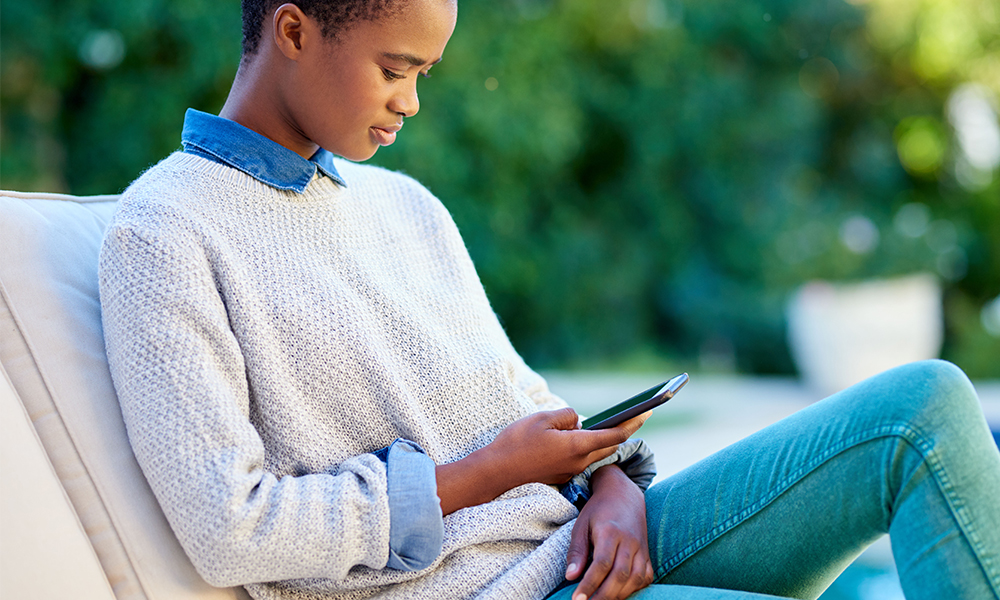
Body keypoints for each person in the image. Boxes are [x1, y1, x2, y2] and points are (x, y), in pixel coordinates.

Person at [97, 1, 1000, 599]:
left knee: (924, 409)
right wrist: (490, 473)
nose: (411, 102)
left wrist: (606, 481)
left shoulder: (407, 207)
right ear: (294, 30)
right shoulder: (166, 234)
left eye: (426, 73)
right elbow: (232, 527)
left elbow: (523, 404)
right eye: (394, 67)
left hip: (586, 546)